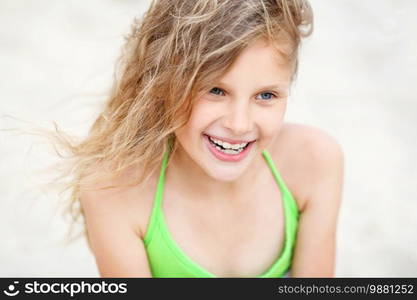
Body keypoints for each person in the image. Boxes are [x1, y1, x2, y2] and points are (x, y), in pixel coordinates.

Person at [64, 0, 344, 277]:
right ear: (161, 81)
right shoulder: (114, 190)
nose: (239, 124)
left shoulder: (314, 161)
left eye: (266, 95)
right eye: (215, 90)